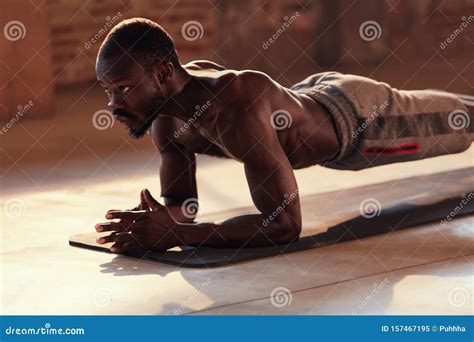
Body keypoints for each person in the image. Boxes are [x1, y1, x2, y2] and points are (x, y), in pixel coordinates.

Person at [94, 18, 473, 254]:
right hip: (308, 94)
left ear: (162, 75)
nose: (113, 103)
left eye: (123, 88)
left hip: (358, 121)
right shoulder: (166, 118)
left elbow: (285, 225)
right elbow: (181, 202)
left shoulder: (236, 110)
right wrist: (161, 220)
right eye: (107, 89)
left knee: (464, 120)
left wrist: (181, 234)